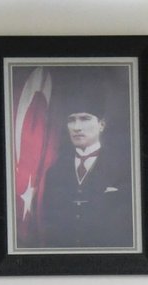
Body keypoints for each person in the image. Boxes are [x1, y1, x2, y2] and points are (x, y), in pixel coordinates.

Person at [37, 98, 133, 249]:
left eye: (85, 119)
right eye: (71, 120)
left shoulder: (124, 168)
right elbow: (51, 225)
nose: (77, 127)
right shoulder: (55, 171)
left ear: (101, 125)